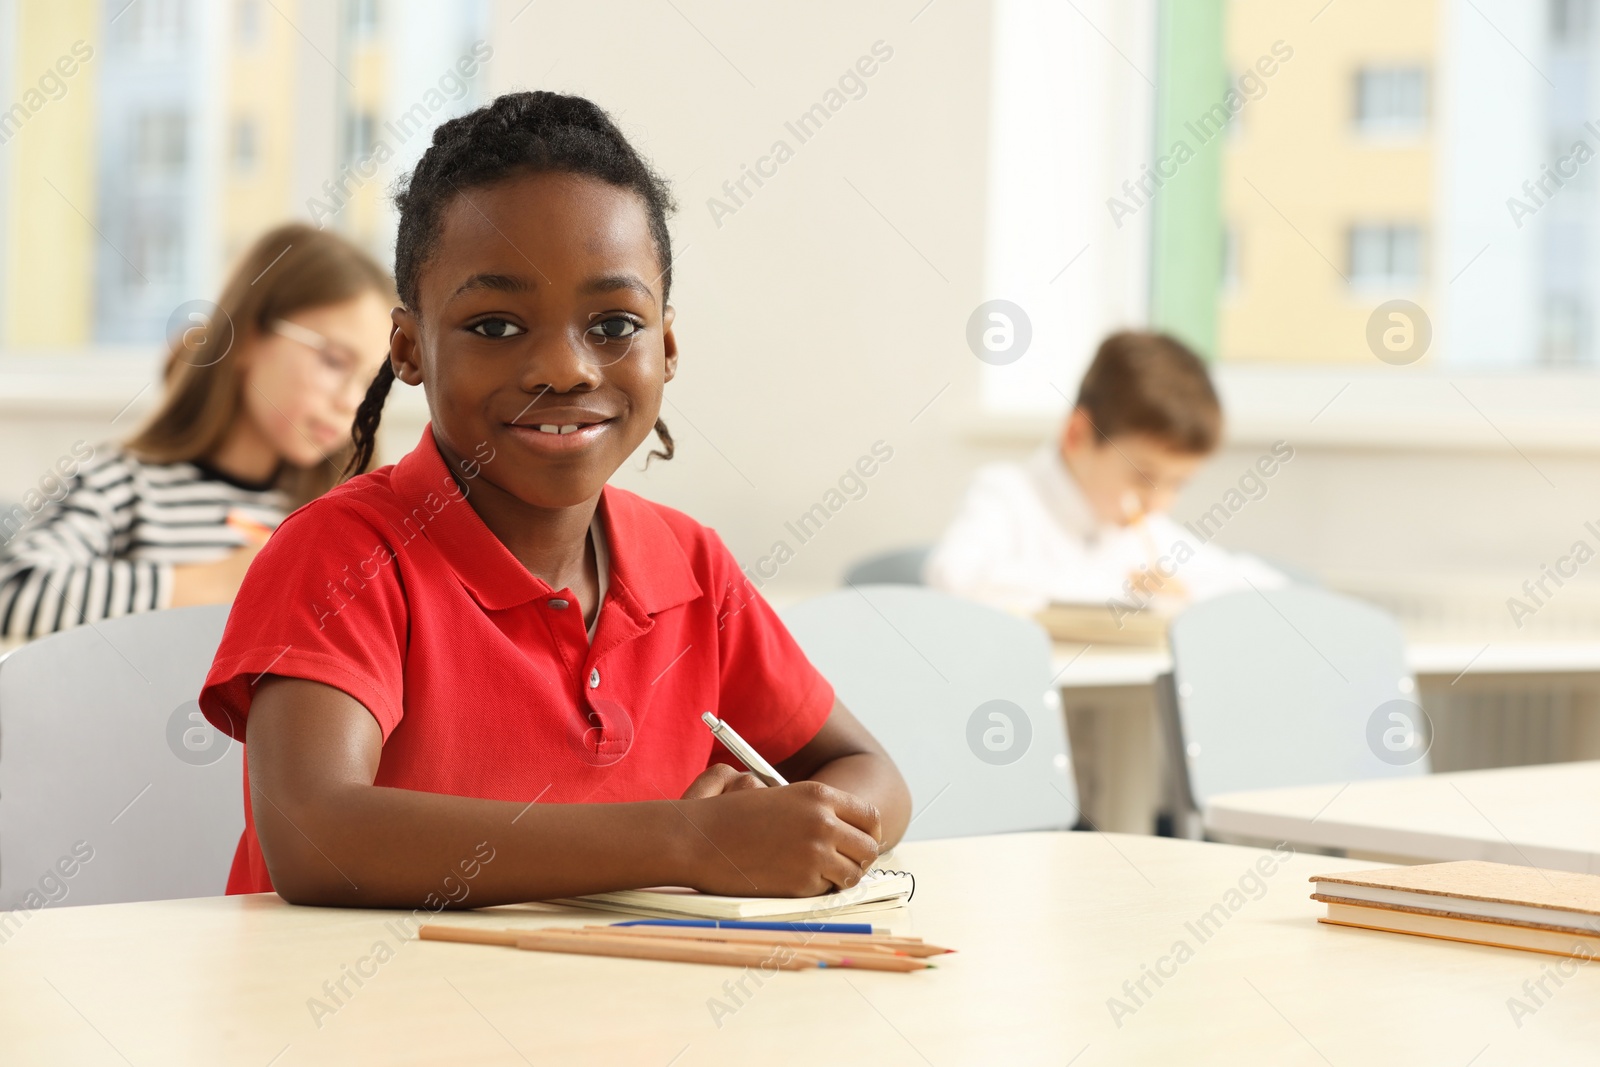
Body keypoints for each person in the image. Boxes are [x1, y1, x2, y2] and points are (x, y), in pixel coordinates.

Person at [198, 91, 911, 908]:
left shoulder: (692, 567)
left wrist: (796, 823)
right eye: (496, 326)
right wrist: (685, 841)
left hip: (610, 1024)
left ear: (667, 346)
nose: (566, 369)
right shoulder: (346, 553)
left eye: (613, 324)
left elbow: (872, 774)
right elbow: (318, 835)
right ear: (408, 348)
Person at [0, 224, 394, 640]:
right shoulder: (121, 482)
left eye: (372, 382)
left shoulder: (334, 515)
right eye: (333, 361)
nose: (353, 403)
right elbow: (13, 591)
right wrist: (223, 581)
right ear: (245, 338)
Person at [925, 330, 1287, 617]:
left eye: (1178, 484)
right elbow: (954, 578)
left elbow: (1270, 589)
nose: (1159, 502)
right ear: (1077, 435)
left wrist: (1190, 595)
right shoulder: (1006, 495)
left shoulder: (1148, 534)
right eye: (1142, 476)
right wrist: (1121, 589)